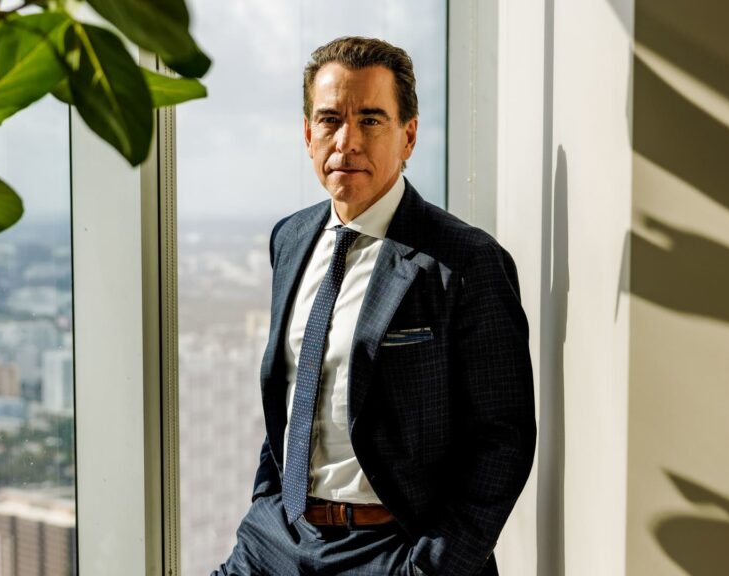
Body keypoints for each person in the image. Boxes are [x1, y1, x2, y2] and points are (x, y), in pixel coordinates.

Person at [215, 36, 536, 576]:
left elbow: (504, 439)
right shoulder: (289, 239)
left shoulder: (466, 261)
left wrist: (430, 567)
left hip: (392, 549)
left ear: (408, 136)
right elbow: (292, 395)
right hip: (279, 538)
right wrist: (267, 503)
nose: (347, 141)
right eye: (330, 120)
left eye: (370, 120)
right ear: (307, 134)